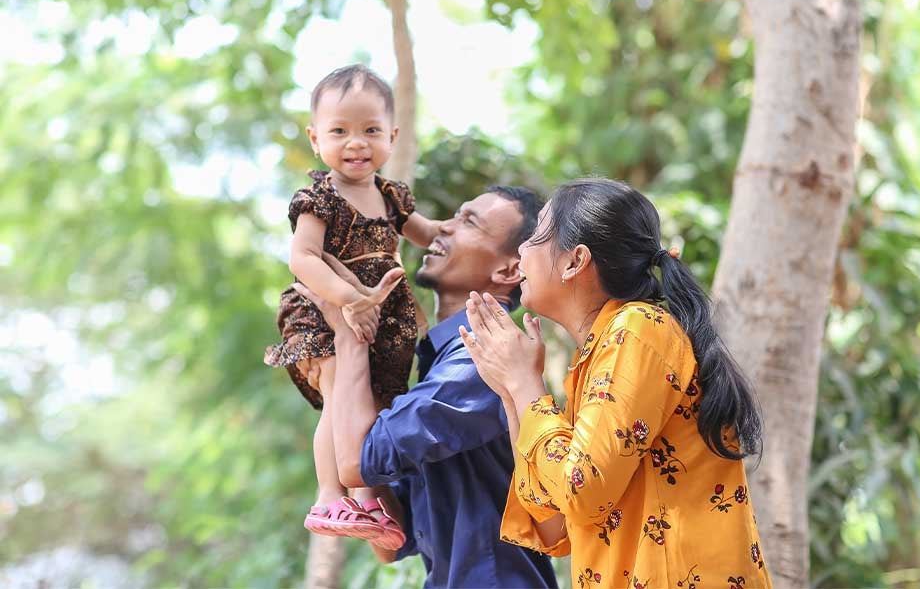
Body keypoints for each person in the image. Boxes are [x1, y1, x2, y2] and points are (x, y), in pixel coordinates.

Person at [460, 178, 774, 589]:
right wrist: (511, 390)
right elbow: (554, 523)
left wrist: (524, 385)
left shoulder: (640, 329)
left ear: (575, 261)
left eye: (536, 235)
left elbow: (581, 492)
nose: (521, 249)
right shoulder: (597, 356)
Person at [294, 186, 559, 588]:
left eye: (469, 222)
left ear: (508, 271)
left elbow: (353, 462)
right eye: (455, 213)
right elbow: (389, 539)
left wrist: (348, 332)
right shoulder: (442, 360)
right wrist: (336, 384)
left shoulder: (481, 359)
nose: (443, 228)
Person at [263, 65, 439, 548]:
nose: (356, 142)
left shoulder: (390, 195)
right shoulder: (321, 197)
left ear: (393, 137)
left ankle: (365, 497)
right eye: (339, 131)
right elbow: (303, 259)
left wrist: (466, 230)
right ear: (315, 138)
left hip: (383, 320)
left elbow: (428, 233)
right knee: (342, 395)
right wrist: (348, 299)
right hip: (325, 310)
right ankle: (328, 495)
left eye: (370, 131)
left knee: (375, 404)